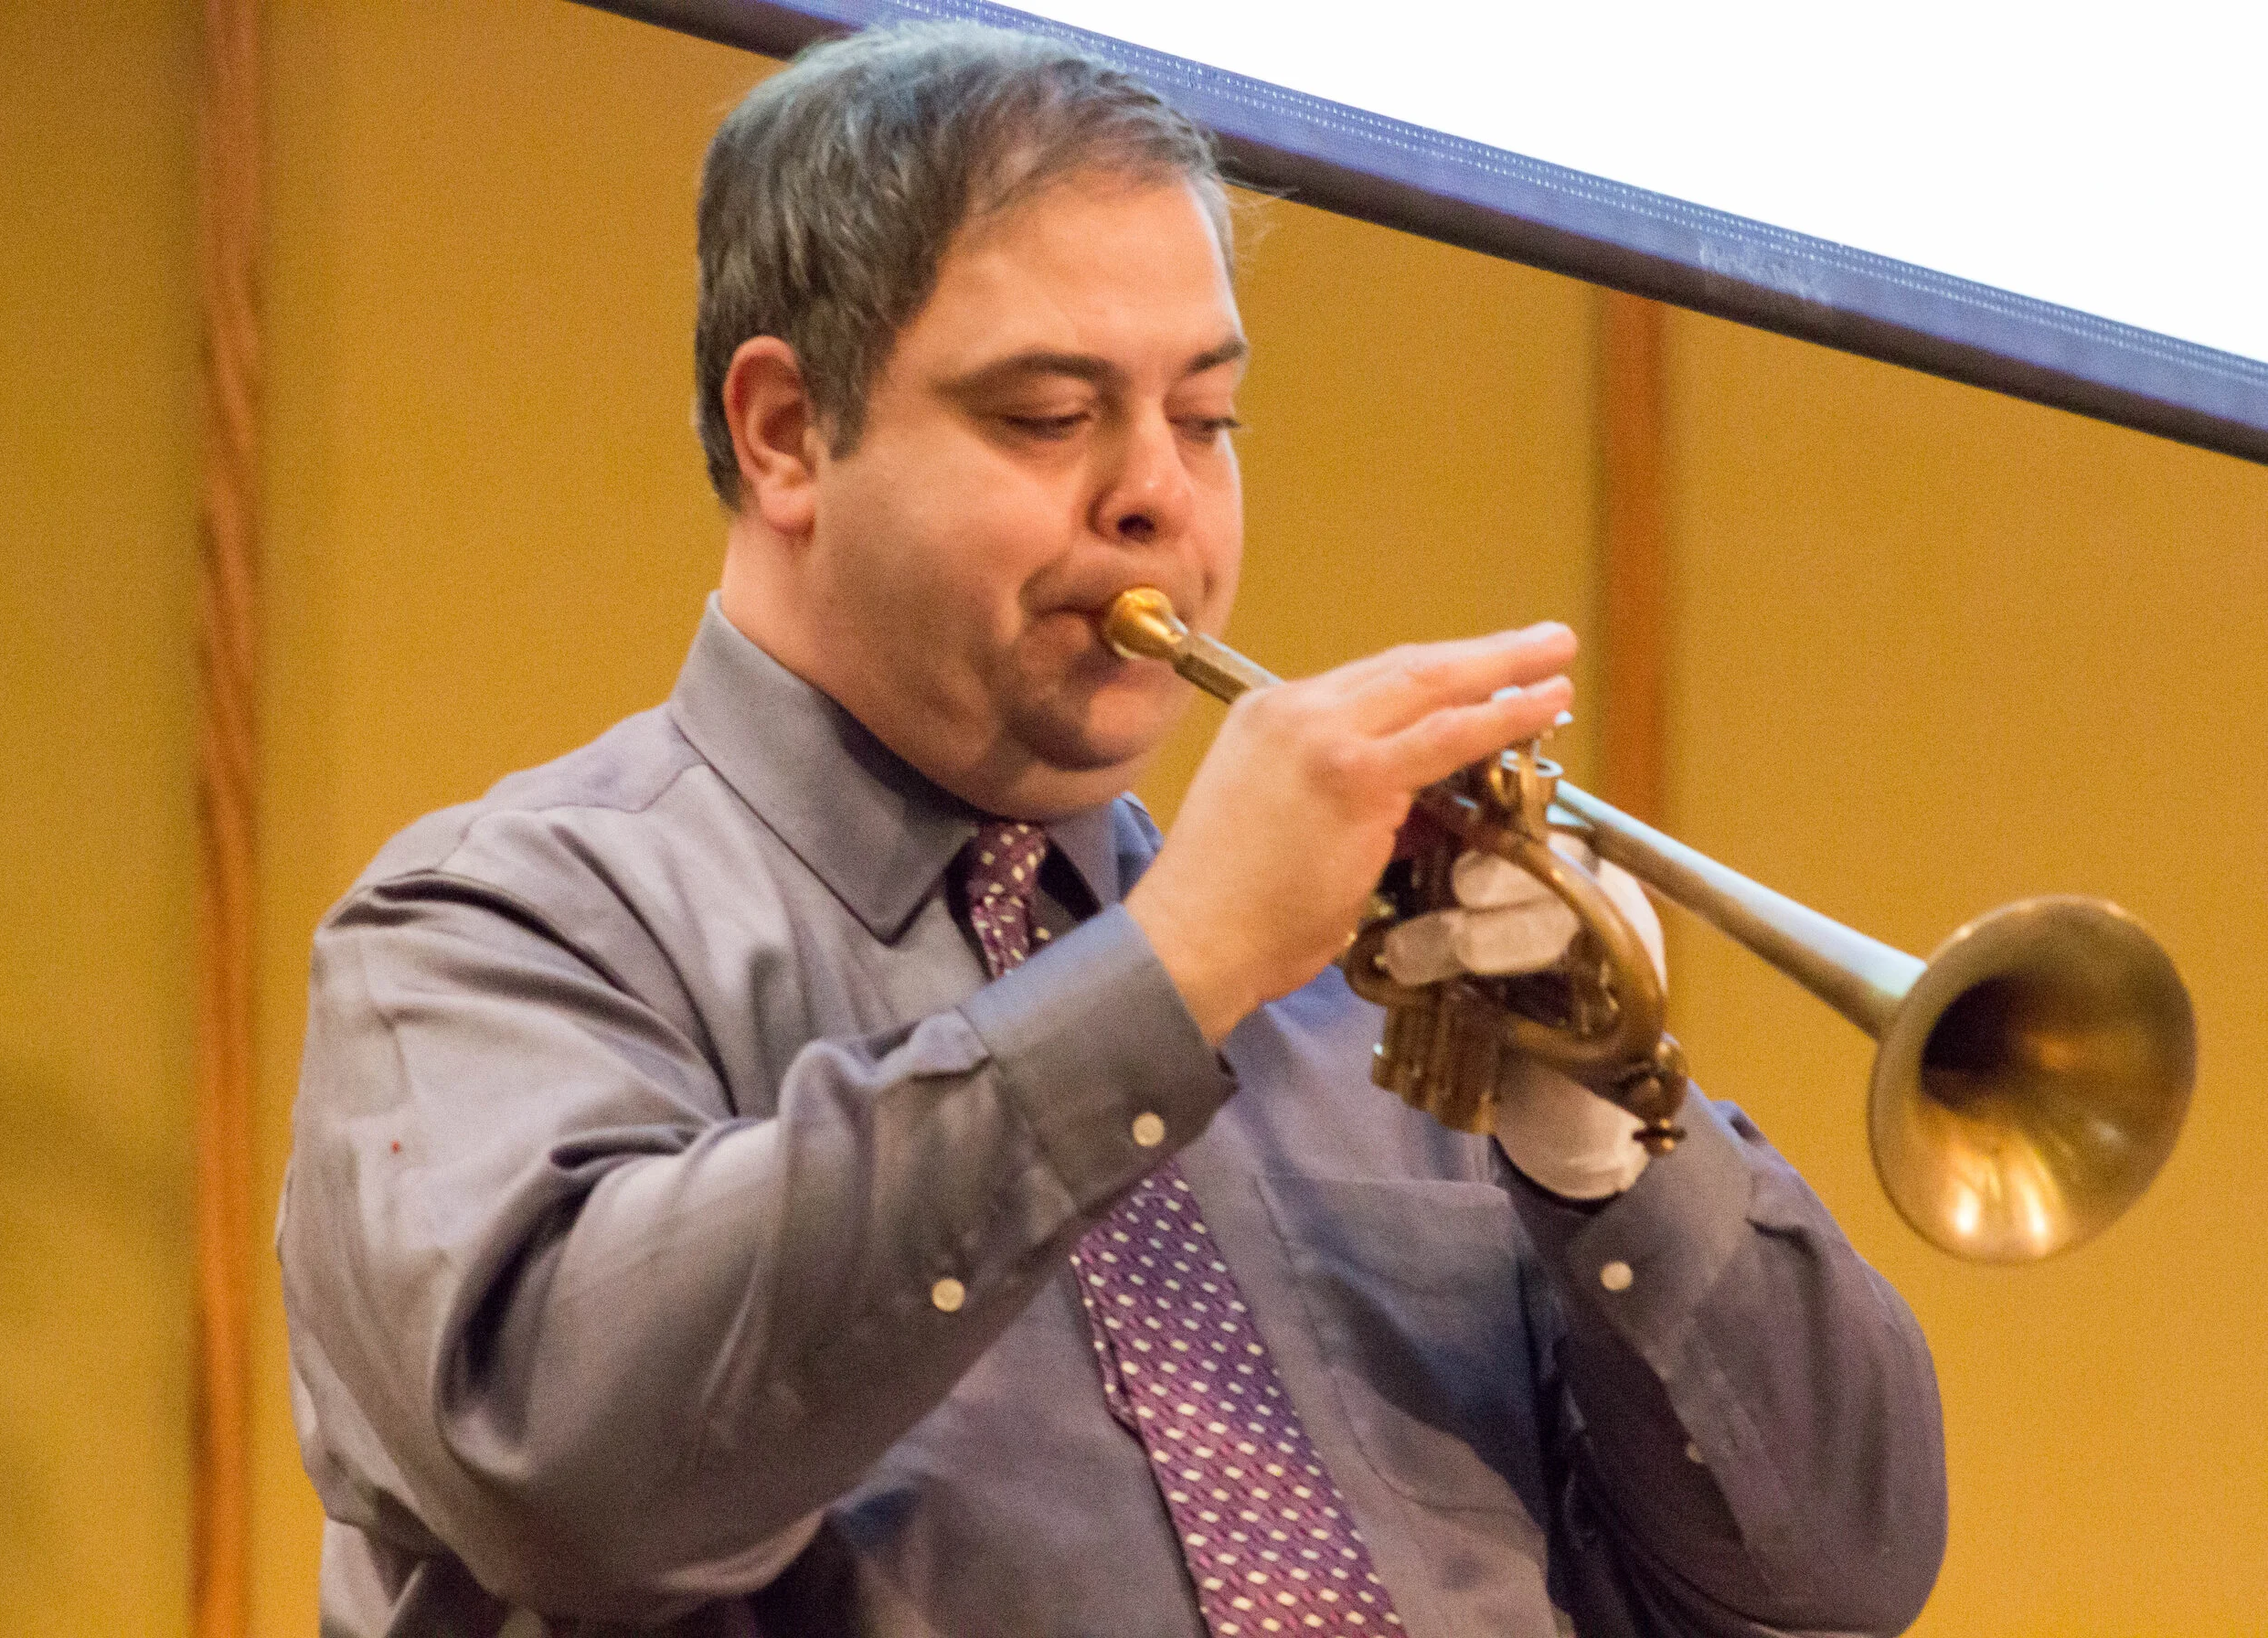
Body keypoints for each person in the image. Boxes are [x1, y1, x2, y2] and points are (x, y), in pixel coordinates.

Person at [282, 24, 1946, 1638]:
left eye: (1206, 419)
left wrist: (1614, 1155)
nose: (1162, 496)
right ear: (787, 432)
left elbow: (1842, 1577)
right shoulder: (498, 929)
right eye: (1047, 416)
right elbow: (562, 1464)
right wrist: (1172, 974)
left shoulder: (1373, 993)